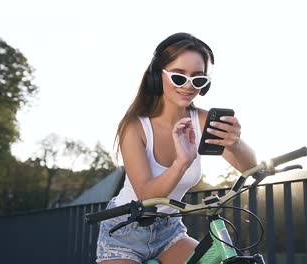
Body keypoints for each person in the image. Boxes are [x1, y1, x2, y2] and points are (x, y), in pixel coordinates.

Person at [96, 32, 257, 264]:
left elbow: (251, 167)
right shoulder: (135, 127)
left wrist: (236, 143)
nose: (189, 86)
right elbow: (146, 195)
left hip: (170, 231)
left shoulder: (203, 120)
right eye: (179, 77)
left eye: (198, 79)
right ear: (156, 76)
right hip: (125, 229)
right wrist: (181, 163)